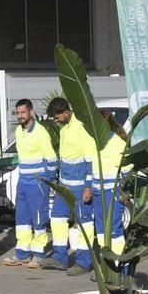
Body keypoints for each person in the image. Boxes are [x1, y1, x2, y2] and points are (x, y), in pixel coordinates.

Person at [43, 97, 96, 276]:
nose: (56, 121)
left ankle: (83, 262)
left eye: (57, 117)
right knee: (57, 218)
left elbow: (91, 159)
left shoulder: (81, 127)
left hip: (81, 188)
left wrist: (88, 186)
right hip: (64, 186)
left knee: (84, 224)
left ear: (66, 113)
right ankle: (60, 258)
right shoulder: (64, 127)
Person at [3, 99, 55, 268]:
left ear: (31, 112)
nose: (20, 116)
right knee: (22, 219)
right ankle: (22, 254)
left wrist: (48, 180)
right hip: (23, 182)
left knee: (39, 219)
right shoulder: (20, 131)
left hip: (38, 183)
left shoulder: (40, 132)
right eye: (17, 113)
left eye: (23, 112)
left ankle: (39, 255)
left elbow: (51, 158)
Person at [88, 110, 128, 255]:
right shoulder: (93, 142)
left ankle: (118, 263)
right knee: (100, 229)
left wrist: (123, 192)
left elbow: (127, 170)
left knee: (113, 229)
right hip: (97, 193)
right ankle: (106, 261)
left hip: (113, 193)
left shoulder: (118, 143)